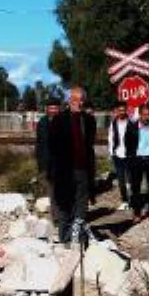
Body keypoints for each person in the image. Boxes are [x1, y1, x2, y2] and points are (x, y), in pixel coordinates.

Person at [47, 86, 96, 245]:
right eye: (75, 99)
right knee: (65, 204)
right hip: (65, 170)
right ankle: (64, 238)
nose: (78, 103)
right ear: (69, 101)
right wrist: (52, 171)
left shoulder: (89, 120)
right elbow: (51, 147)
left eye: (81, 100)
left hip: (83, 169)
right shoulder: (59, 120)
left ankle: (78, 236)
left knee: (81, 205)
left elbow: (90, 146)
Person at [124, 104, 149, 221]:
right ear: (139, 115)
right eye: (144, 115)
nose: (146, 117)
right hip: (137, 160)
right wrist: (131, 159)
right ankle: (137, 212)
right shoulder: (132, 127)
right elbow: (127, 144)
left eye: (148, 115)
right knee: (136, 188)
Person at [35, 101, 62, 233]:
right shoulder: (42, 123)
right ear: (47, 109)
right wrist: (40, 164)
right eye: (51, 107)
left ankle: (65, 214)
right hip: (47, 163)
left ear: (59, 108)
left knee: (63, 190)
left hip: (62, 163)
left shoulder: (65, 122)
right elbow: (39, 144)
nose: (53, 110)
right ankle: (56, 217)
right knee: (52, 191)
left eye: (55, 107)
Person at [107, 104, 131, 211]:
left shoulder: (131, 123)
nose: (121, 112)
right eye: (119, 110)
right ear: (117, 111)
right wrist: (112, 152)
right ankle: (125, 201)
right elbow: (111, 138)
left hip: (129, 154)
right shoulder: (114, 123)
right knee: (121, 179)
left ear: (126, 111)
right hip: (118, 154)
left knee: (130, 180)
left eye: (123, 110)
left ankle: (132, 200)